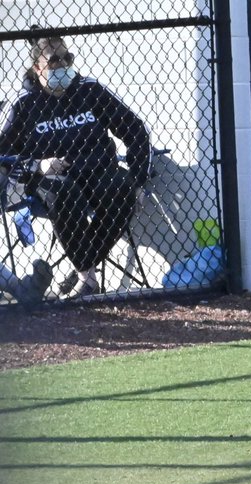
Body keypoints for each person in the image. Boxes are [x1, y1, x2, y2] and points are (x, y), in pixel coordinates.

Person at [0, 36, 151, 299]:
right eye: (54, 60)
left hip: (98, 170)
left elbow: (137, 130)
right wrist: (38, 164)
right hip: (50, 180)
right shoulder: (23, 102)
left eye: (67, 58)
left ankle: (83, 265)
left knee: (122, 187)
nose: (62, 65)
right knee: (65, 193)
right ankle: (88, 278)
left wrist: (138, 181)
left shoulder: (90, 90)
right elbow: (3, 155)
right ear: (37, 68)